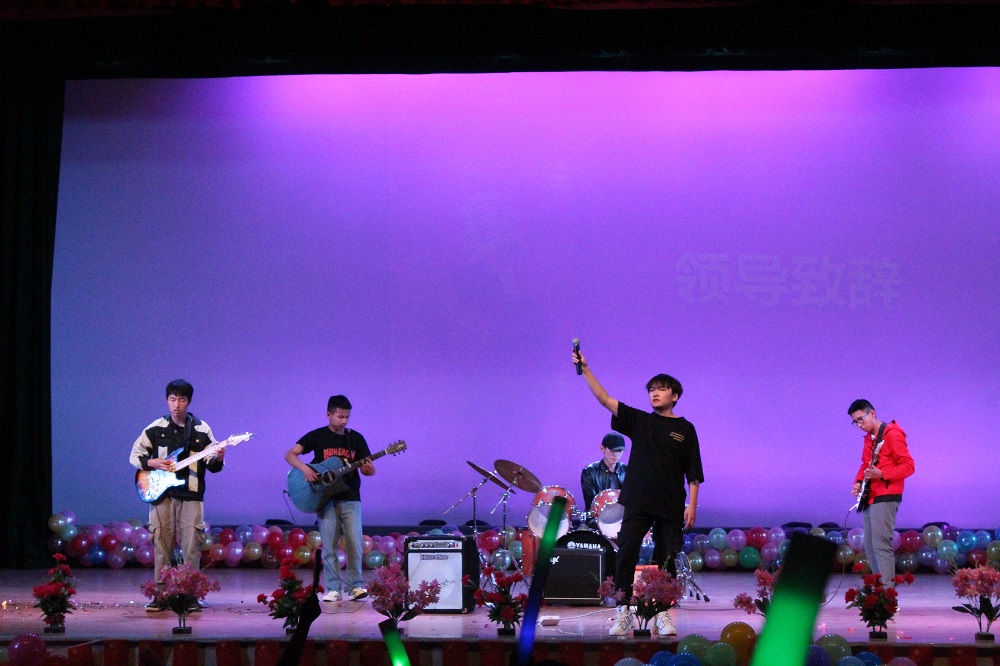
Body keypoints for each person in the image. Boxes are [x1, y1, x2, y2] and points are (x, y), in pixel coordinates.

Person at [573, 348, 704, 637]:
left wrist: (692, 505)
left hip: (670, 503)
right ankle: (623, 612)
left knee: (666, 557)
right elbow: (604, 399)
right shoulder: (640, 420)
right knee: (626, 553)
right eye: (652, 390)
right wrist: (586, 368)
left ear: (675, 396)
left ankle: (663, 614)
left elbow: (693, 472)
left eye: (661, 389)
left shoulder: (685, 429)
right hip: (637, 500)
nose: (655, 393)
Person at [129, 379, 225, 612]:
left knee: (192, 545)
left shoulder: (201, 429)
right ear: (167, 400)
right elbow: (135, 455)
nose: (176, 405)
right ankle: (161, 595)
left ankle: (189, 596)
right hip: (161, 495)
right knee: (161, 544)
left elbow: (212, 465)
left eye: (181, 399)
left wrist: (219, 456)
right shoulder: (155, 428)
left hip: (191, 495)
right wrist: (152, 462)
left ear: (188, 402)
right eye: (172, 399)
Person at [285, 395, 375, 602]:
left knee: (354, 543)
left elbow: (369, 471)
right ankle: (333, 589)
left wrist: (369, 469)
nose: (344, 421)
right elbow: (290, 455)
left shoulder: (356, 439)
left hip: (351, 497)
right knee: (329, 544)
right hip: (325, 498)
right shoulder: (317, 436)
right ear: (329, 414)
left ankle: (356, 586)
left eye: (347, 417)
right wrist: (305, 469)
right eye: (340, 416)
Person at [848, 399, 915, 579]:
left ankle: (888, 593)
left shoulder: (892, 434)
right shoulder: (869, 438)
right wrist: (858, 482)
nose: (859, 425)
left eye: (861, 419)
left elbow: (909, 466)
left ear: (872, 413)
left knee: (881, 545)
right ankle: (880, 591)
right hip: (870, 496)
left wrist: (882, 474)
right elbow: (865, 465)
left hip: (886, 495)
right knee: (870, 546)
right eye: (855, 422)